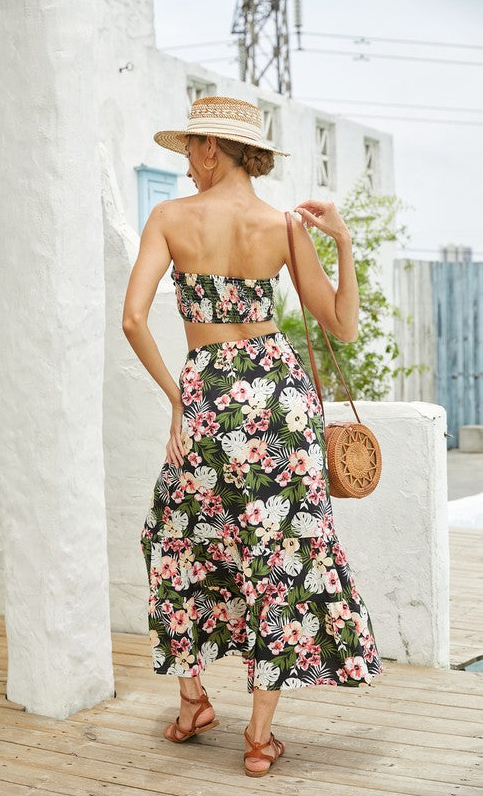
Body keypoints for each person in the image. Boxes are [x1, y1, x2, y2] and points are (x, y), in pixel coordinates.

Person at [122, 95, 383, 778]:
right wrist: (343, 244)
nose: (183, 167)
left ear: (211, 148)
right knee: (280, 555)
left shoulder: (170, 219)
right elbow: (341, 326)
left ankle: (192, 703)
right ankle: (259, 740)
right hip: (279, 399)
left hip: (210, 398)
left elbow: (132, 320)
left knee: (174, 537)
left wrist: (180, 405)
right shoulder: (283, 226)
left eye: (187, 152)